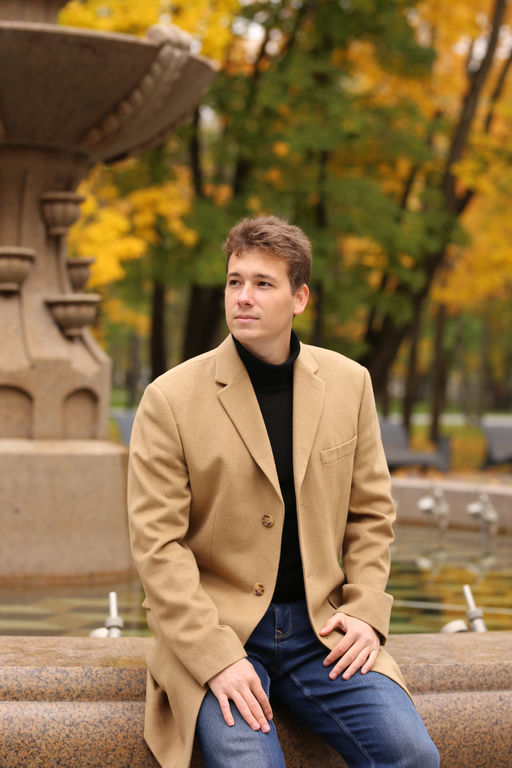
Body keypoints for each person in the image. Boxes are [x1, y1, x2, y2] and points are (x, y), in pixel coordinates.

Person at [128, 215, 440, 768]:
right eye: (235, 281)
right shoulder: (169, 399)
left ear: (299, 298)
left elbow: (371, 515)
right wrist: (215, 656)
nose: (243, 297)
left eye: (262, 283)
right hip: (219, 631)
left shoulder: (350, 383)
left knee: (413, 756)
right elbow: (158, 547)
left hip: (323, 632)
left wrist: (366, 611)